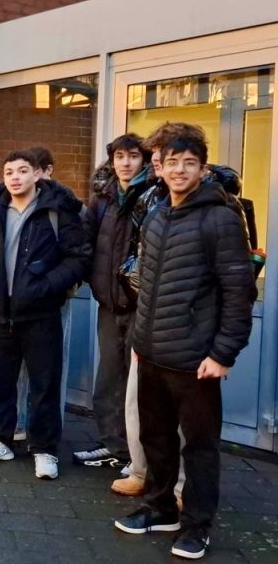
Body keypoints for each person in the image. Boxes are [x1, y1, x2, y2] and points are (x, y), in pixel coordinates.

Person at [114, 133, 254, 560]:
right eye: (172, 162)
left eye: (189, 163)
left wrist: (223, 353)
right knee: (156, 439)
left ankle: (197, 526)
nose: (179, 170)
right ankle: (160, 509)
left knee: (199, 448)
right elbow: (148, 286)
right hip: (152, 353)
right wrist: (140, 339)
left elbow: (238, 291)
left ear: (203, 170)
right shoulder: (157, 215)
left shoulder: (221, 218)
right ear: (160, 168)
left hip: (196, 361)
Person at [0, 150, 90, 480]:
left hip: (40, 314)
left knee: (44, 386)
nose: (15, 177)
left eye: (22, 171)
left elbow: (79, 258)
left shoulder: (56, 210)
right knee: (0, 384)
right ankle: (0, 440)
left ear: (38, 174)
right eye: (9, 171)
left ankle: (44, 449)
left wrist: (47, 286)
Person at [72, 134, 152, 469]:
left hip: (140, 307)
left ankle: (138, 454)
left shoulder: (152, 195)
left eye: (133, 156)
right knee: (108, 379)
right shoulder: (103, 198)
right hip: (108, 303)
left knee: (137, 384)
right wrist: (89, 279)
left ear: (144, 160)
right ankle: (112, 444)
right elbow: (86, 243)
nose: (126, 163)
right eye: (120, 156)